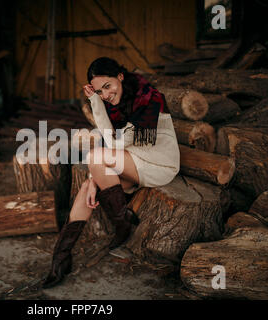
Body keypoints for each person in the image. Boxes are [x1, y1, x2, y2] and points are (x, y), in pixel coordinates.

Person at [42, 57, 180, 288]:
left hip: (160, 164)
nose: (105, 94)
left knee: (95, 157)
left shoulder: (148, 98)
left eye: (108, 86)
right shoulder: (114, 103)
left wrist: (95, 173)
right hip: (133, 160)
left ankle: (122, 226)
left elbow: (119, 142)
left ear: (120, 77)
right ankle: (61, 257)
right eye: (99, 91)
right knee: (88, 187)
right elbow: (109, 137)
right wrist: (96, 101)